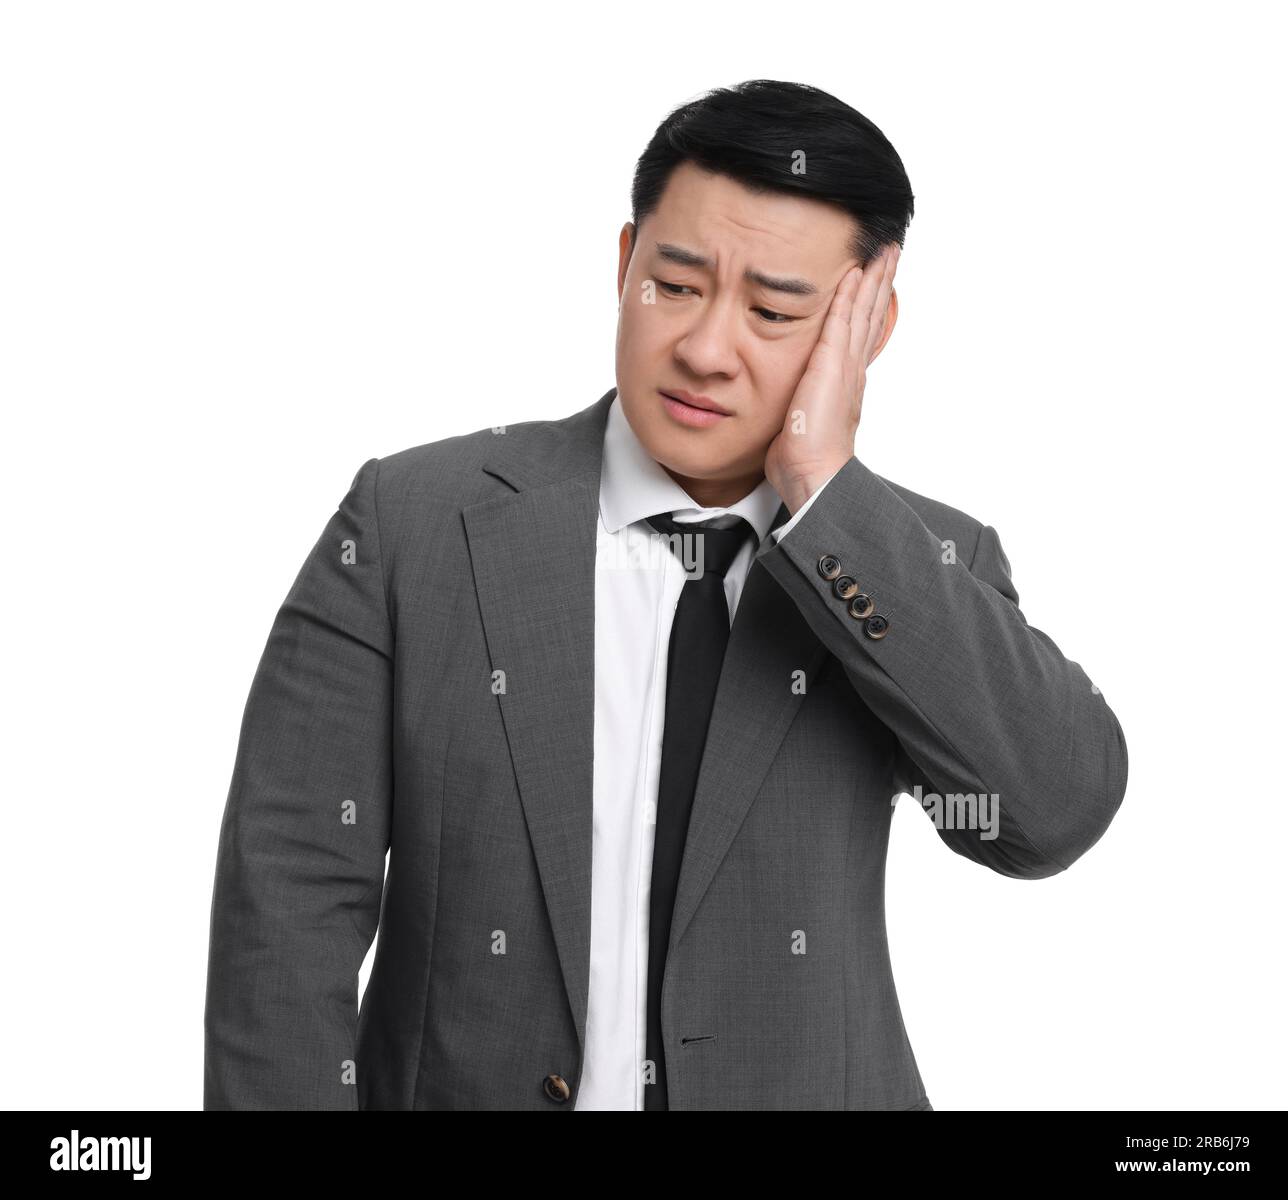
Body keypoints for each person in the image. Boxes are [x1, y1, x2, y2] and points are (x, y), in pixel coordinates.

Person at [204, 79, 1128, 1111]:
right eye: (675, 285)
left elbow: (1047, 815)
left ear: (864, 331)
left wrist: (826, 502)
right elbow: (284, 907)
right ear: (622, 265)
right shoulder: (411, 524)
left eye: (774, 311)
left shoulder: (917, 562)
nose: (702, 348)